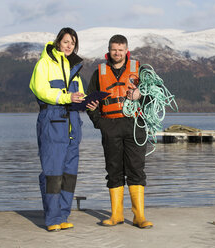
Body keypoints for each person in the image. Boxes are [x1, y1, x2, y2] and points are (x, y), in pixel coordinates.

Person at [29, 27, 98, 232]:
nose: (69, 46)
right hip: (52, 122)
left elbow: (79, 95)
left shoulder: (74, 68)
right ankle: (52, 219)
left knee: (69, 174)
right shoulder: (44, 63)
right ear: (58, 41)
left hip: (72, 125)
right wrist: (67, 97)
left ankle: (63, 215)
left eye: (73, 43)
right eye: (66, 41)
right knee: (53, 174)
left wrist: (88, 103)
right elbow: (39, 89)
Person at [87, 34, 153, 229]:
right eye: (114, 49)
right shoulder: (99, 72)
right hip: (110, 125)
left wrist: (141, 94)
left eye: (120, 49)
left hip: (135, 124)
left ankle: (138, 216)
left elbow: (155, 95)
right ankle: (116, 215)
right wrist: (99, 123)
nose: (117, 53)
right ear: (109, 50)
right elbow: (91, 102)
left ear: (126, 51)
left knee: (136, 169)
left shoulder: (139, 70)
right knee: (114, 170)